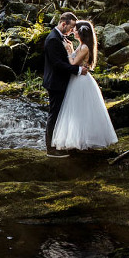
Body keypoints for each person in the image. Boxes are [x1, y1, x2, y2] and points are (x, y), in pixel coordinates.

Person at [50, 19, 118, 151]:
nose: (73, 30)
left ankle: (84, 139)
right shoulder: (81, 46)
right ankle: (78, 138)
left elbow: (74, 63)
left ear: (81, 32)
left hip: (81, 81)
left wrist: (69, 51)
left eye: (75, 29)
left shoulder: (85, 47)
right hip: (77, 79)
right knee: (77, 110)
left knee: (81, 110)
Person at [43, 12, 87, 157]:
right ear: (63, 24)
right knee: (54, 115)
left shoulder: (60, 38)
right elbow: (57, 64)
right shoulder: (53, 39)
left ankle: (61, 143)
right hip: (55, 82)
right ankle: (51, 149)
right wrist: (78, 70)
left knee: (61, 114)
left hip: (60, 81)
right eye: (71, 27)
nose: (72, 30)